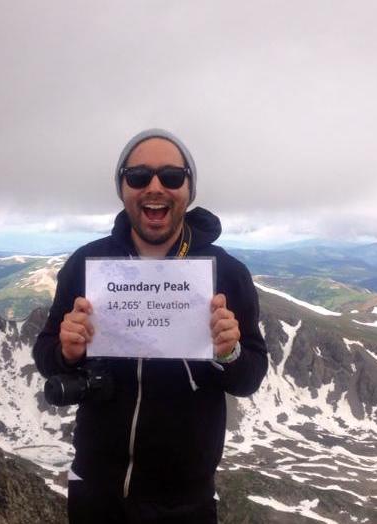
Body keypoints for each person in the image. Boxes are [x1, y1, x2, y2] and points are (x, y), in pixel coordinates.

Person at [33, 129, 268, 523]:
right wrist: (66, 352)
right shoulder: (87, 264)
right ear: (123, 187)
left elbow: (249, 377)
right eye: (138, 176)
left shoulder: (227, 273)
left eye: (172, 177)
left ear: (189, 189)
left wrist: (230, 352)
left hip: (184, 503)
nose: (154, 187)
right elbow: (46, 355)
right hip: (95, 494)